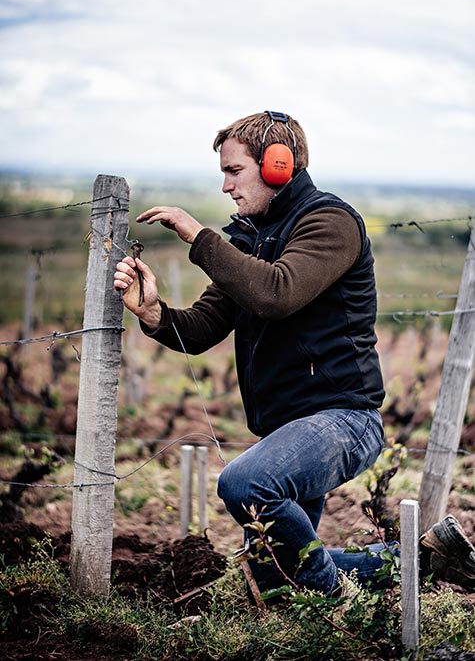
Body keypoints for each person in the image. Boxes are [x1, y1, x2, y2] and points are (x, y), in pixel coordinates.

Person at [114, 110, 475, 596]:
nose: (225, 187)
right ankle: (425, 558)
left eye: (233, 171)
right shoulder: (248, 238)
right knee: (278, 579)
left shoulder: (330, 223)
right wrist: (154, 313)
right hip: (286, 434)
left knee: (243, 485)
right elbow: (200, 330)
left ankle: (334, 604)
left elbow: (275, 293)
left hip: (343, 420)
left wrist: (199, 238)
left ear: (277, 165)